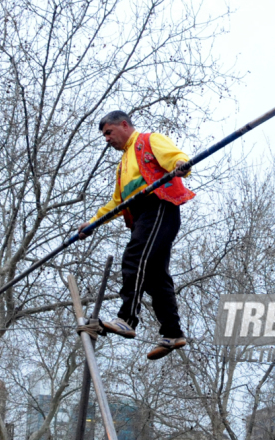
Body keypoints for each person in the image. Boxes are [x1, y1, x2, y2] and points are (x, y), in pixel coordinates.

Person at [78, 111, 195, 360]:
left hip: (159, 205)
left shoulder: (147, 140)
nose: (107, 139)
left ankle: (127, 319)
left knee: (135, 257)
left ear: (124, 125)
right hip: (142, 216)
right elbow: (117, 203)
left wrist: (179, 167)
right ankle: (173, 333)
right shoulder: (123, 165)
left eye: (108, 132)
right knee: (154, 276)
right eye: (104, 135)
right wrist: (92, 223)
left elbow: (176, 157)